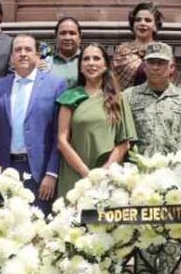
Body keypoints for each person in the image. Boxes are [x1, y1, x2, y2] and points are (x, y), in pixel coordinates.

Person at [0, 34, 68, 209]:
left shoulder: (56, 85)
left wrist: (52, 173)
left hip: (40, 172)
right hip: (5, 169)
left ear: (37, 55)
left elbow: (59, 133)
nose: (23, 54)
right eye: (18, 50)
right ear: (11, 58)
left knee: (38, 222)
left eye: (28, 49)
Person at [56, 43, 136, 199]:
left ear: (106, 65)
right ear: (80, 67)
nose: (91, 63)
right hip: (75, 174)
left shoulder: (118, 98)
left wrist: (105, 170)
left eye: (96, 58)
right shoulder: (70, 97)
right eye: (86, 59)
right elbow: (62, 140)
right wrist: (86, 173)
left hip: (108, 175)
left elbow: (124, 142)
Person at [123, 42, 181, 157]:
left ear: (172, 68)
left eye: (161, 63)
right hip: (140, 166)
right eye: (151, 62)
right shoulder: (129, 96)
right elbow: (122, 138)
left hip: (175, 166)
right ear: (144, 67)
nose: (155, 67)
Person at [112, 2, 162, 89]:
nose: (142, 23)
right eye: (138, 20)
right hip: (126, 96)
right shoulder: (122, 50)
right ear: (133, 24)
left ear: (155, 26)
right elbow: (114, 81)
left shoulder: (162, 50)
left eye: (148, 20)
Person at [39, 16, 82, 87]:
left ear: (80, 37)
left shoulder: (87, 61)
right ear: (56, 37)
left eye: (72, 33)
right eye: (63, 33)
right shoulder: (46, 62)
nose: (67, 37)